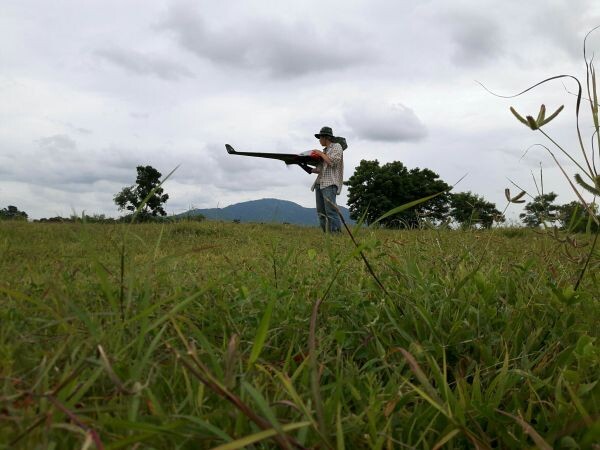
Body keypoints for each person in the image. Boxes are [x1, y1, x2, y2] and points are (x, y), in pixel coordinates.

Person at [310, 126, 344, 233]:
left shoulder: (337, 147)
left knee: (331, 211)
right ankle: (327, 236)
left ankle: (336, 236)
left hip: (330, 184)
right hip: (320, 184)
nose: (319, 140)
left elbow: (332, 162)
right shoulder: (324, 151)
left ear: (326, 137)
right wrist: (303, 166)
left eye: (320, 137)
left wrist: (320, 153)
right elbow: (319, 169)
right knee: (321, 212)